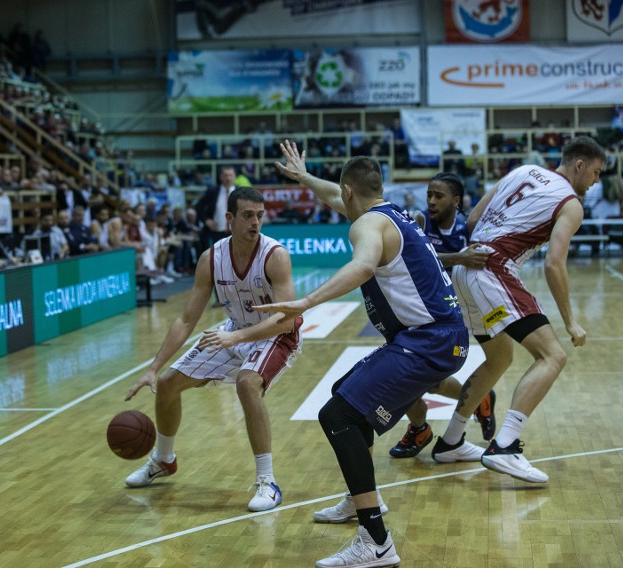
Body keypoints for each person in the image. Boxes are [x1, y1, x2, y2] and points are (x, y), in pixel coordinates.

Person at [259, 141, 469, 567]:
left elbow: (363, 266)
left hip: (427, 340)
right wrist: (304, 178)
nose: (338, 201)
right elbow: (335, 194)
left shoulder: (366, 228)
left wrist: (305, 302)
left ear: (349, 193)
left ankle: (375, 541)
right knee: (345, 396)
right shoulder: (388, 213)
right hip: (438, 337)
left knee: (337, 416)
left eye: (340, 195)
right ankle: (360, 503)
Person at [430, 136, 604, 483]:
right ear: (579, 165)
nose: (595, 182)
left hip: (466, 270)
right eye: (596, 173)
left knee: (499, 358)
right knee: (553, 356)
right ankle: (505, 446)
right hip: (494, 270)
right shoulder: (571, 203)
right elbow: (554, 265)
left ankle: (451, 441)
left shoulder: (521, 170)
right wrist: (570, 322)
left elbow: (472, 220)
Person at [124, 187, 303, 512]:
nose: (256, 222)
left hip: (275, 336)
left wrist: (236, 338)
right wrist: (153, 367)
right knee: (166, 384)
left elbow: (286, 320)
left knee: (247, 383)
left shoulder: (275, 255)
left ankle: (268, 481)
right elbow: (185, 319)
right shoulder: (211, 258)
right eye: (248, 215)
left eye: (260, 216)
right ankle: (164, 460)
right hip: (234, 331)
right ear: (230, 218)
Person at [386, 173, 494, 459]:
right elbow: (423, 259)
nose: (431, 201)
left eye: (439, 196)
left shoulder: (467, 230)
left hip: (446, 316)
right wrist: (459, 258)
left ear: (456, 201)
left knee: (411, 377)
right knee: (411, 377)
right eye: (429, 194)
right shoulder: (419, 222)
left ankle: (422, 428)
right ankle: (475, 398)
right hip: (416, 312)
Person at [195, 166, 236, 247]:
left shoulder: (240, 192)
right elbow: (198, 206)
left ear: (235, 177)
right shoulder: (213, 191)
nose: (228, 178)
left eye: (230, 175)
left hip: (236, 232)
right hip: (217, 232)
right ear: (220, 177)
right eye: (225, 175)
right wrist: (206, 220)